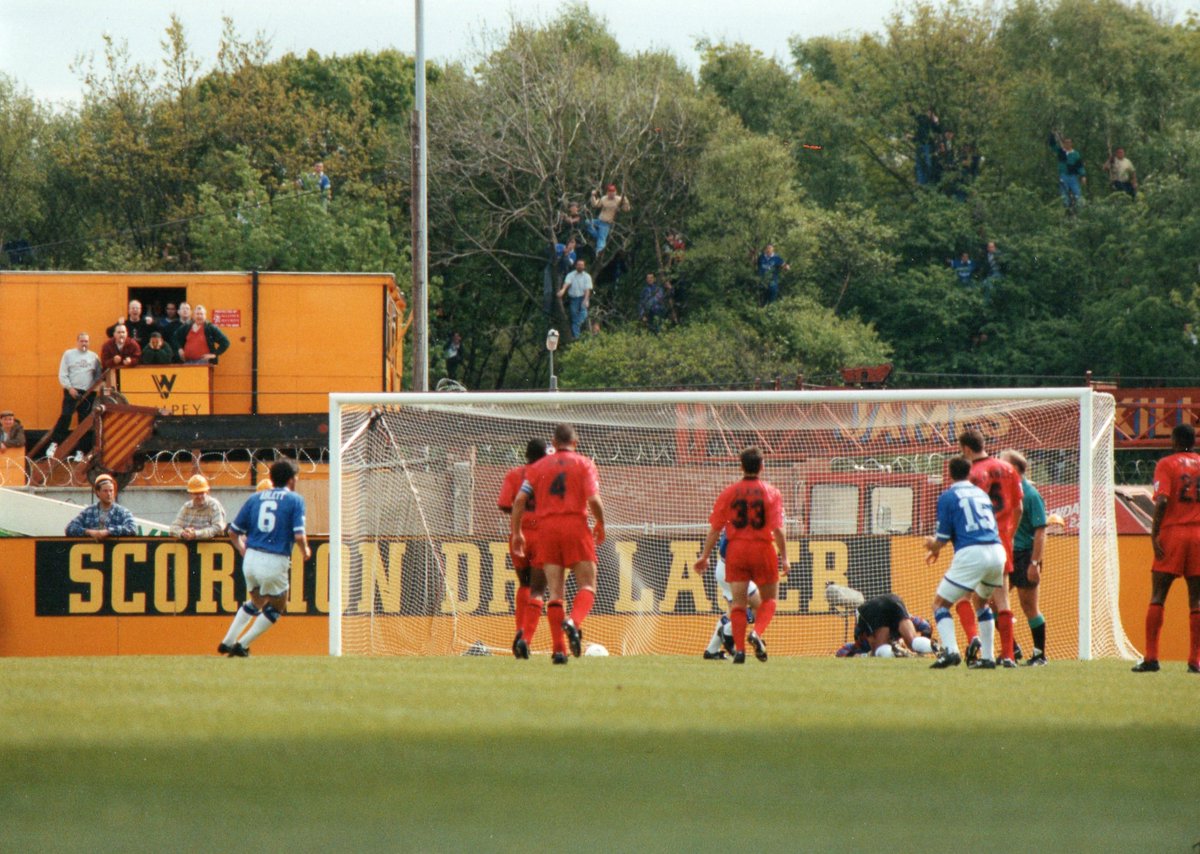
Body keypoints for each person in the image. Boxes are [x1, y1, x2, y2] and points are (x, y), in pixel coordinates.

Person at [510, 424, 605, 664]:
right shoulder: (584, 464)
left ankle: (560, 650)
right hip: (575, 524)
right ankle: (573, 622)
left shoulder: (538, 467)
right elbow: (593, 499)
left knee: (554, 592)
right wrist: (601, 523)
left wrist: (517, 532)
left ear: (553, 442)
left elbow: (520, 500)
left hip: (547, 528)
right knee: (587, 584)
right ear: (576, 441)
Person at [694, 446, 790, 663]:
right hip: (762, 548)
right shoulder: (771, 493)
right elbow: (778, 529)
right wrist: (784, 556)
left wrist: (704, 555)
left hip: (735, 551)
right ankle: (756, 633)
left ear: (740, 466)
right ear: (762, 466)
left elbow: (715, 528)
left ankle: (739, 651)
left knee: (737, 605)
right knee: (769, 600)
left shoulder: (729, 493)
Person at [219, 460, 311, 658]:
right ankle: (242, 645)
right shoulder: (295, 500)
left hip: (250, 559)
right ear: (291, 479)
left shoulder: (256, 498)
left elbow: (233, 532)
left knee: (257, 600)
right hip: (274, 559)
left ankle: (227, 641)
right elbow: (298, 535)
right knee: (278, 605)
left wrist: (243, 551)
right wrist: (305, 550)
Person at [925, 456, 1008, 669]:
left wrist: (932, 545)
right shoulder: (982, 494)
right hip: (997, 552)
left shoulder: (948, 496)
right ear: (969, 473)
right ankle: (988, 658)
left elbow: (942, 538)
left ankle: (951, 651)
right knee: (981, 603)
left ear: (949, 473)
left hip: (973, 553)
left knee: (940, 604)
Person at [1132, 424, 1200, 674]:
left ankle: (1151, 658)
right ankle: (1195, 660)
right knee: (1196, 598)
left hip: (1173, 532)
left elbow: (1162, 500)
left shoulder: (1167, 463)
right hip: (1198, 534)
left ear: (1174, 439)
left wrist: (1154, 533)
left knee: (1159, 593)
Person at [956, 428, 1023, 667]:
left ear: (966, 449)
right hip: (1002, 541)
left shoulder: (971, 474)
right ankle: (1008, 656)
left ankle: (974, 640)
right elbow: (1019, 508)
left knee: (962, 596)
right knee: (1001, 600)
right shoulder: (1008, 469)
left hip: (976, 541)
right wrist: (1010, 535)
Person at [497, 438, 550, 658]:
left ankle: (519, 629)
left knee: (524, 583)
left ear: (526, 455)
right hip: (544, 535)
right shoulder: (549, 476)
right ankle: (526, 637)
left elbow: (503, 504)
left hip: (519, 534)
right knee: (539, 589)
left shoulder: (513, 474)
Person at [1000, 449, 1049, 666]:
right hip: (1005, 554)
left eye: (1003, 464)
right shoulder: (1005, 493)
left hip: (1024, 555)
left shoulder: (1030, 495)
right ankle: (1012, 648)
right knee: (991, 601)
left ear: (1015, 469)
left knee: (1028, 605)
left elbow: (1040, 531)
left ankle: (1039, 654)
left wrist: (1034, 562)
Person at [701, 530, 763, 660]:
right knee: (758, 603)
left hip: (724, 567)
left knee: (732, 611)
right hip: (733, 570)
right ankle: (727, 631)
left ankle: (711, 651)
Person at [46, 332, 103, 458]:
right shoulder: (68, 354)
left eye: (86, 341)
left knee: (84, 422)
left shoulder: (94, 357)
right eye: (82, 341)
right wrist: (69, 388)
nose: (84, 343)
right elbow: (63, 373)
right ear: (77, 342)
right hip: (71, 391)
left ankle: (81, 451)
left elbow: (98, 375)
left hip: (88, 393)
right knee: (66, 416)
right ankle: (54, 444)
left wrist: (94, 389)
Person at [65, 474, 137, 540]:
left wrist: (108, 532)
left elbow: (132, 528)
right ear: (98, 492)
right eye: (105, 491)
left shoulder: (122, 512)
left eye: (111, 491)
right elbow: (70, 528)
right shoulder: (88, 512)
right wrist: (89, 532)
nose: (109, 494)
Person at [171, 474, 228, 541]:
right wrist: (183, 533)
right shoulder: (187, 507)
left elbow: (218, 527)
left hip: (212, 547)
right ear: (190, 494)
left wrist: (196, 534)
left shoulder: (214, 505)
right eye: (196, 493)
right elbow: (173, 528)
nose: (199, 496)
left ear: (207, 492)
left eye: (201, 493)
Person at [584, 184, 630, 255]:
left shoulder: (619, 199)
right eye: (610, 192)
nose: (611, 194)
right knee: (587, 222)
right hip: (599, 220)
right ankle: (598, 236)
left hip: (606, 223)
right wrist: (593, 196)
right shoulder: (603, 198)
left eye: (613, 192)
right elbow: (595, 205)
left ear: (615, 192)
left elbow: (626, 209)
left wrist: (626, 201)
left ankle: (599, 252)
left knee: (601, 239)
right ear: (607, 192)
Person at [1048, 133, 1086, 209]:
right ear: (1064, 144)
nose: (1067, 144)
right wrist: (1052, 136)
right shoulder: (1061, 151)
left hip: (1073, 177)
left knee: (1077, 193)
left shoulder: (1075, 154)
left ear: (1071, 143)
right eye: (1066, 142)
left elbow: (1080, 166)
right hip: (1063, 175)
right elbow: (1053, 146)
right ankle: (1066, 208)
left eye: (1069, 142)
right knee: (1064, 193)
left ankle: (1080, 208)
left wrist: (1083, 176)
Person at [558, 258, 593, 339]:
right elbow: (567, 284)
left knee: (583, 314)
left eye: (582, 265)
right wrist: (562, 290)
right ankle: (577, 337)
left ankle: (576, 325)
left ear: (584, 266)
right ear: (576, 266)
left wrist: (586, 299)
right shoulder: (570, 275)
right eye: (578, 265)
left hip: (583, 297)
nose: (580, 266)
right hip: (574, 299)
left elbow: (588, 289)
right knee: (574, 314)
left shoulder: (587, 276)